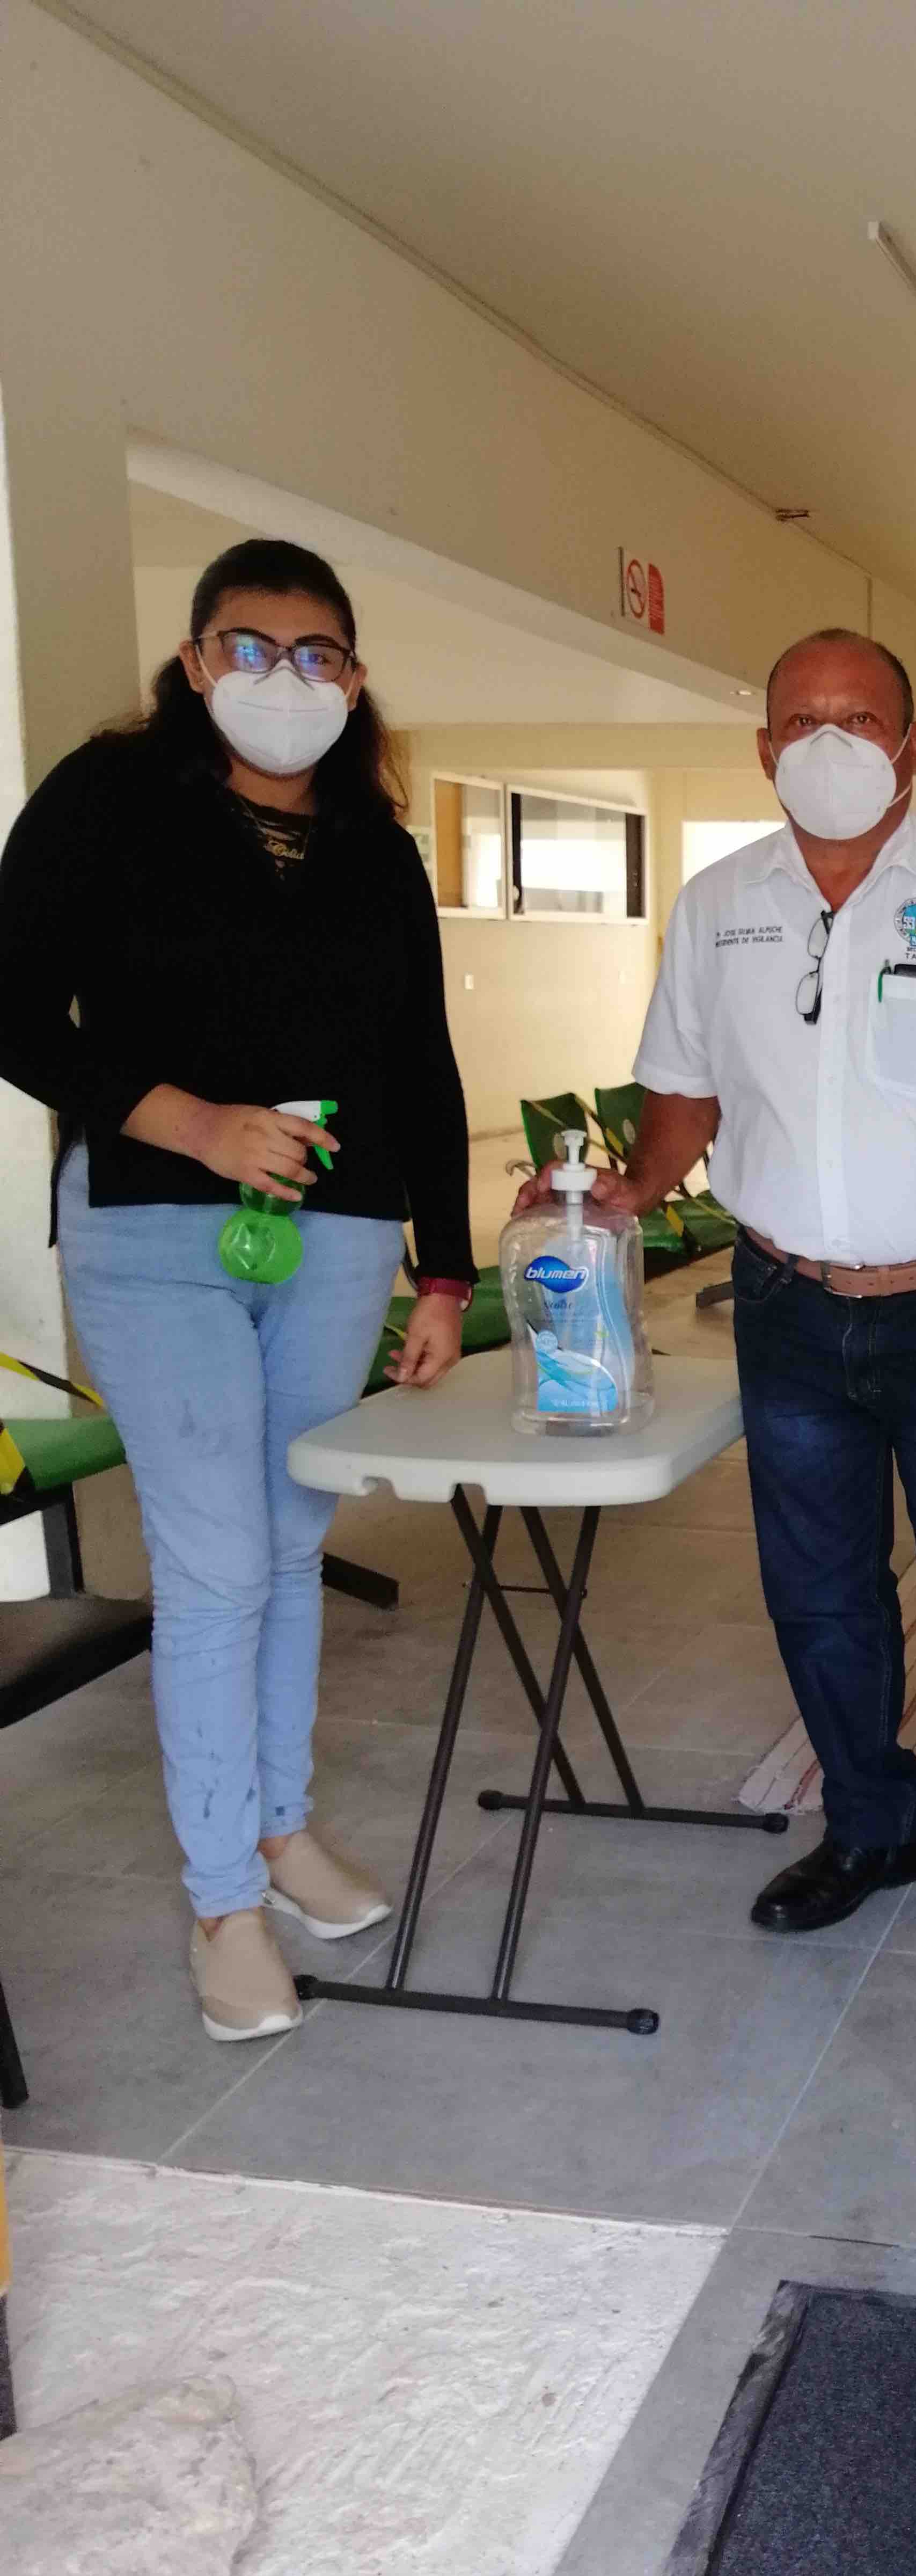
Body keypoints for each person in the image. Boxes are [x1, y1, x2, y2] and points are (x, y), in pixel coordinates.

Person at [517, 627, 916, 2028]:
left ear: (913, 746)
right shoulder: (717, 906)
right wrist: (627, 1188)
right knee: (820, 1599)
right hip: (787, 1308)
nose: (829, 742)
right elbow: (684, 1094)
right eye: (802, 720)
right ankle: (870, 1829)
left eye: (860, 719)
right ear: (764, 748)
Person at [0, 539, 473, 2041]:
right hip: (152, 1229)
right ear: (196, 662)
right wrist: (192, 1122)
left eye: (316, 651)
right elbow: (11, 1004)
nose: (284, 676)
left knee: (286, 1538)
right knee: (214, 1563)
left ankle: (280, 1827)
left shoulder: (375, 846)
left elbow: (421, 1062)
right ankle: (223, 1901)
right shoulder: (110, 798)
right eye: (251, 647)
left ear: (354, 675)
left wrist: (445, 1267)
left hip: (333, 1238)